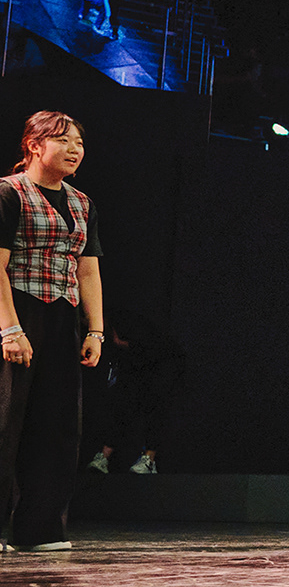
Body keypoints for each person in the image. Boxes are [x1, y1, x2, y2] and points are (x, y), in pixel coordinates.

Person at [0, 112, 105, 552]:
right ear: (34, 145)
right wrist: (10, 329)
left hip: (63, 316)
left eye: (78, 142)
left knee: (57, 425)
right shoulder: (9, 193)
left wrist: (95, 330)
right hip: (18, 309)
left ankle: (40, 529)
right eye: (63, 140)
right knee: (6, 419)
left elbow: (88, 269)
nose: (74, 149)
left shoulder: (82, 203)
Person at [85, 310, 183, 476]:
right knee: (120, 405)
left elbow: (151, 348)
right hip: (134, 364)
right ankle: (103, 457)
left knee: (153, 406)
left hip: (159, 364)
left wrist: (118, 342)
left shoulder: (132, 324)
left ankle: (149, 460)